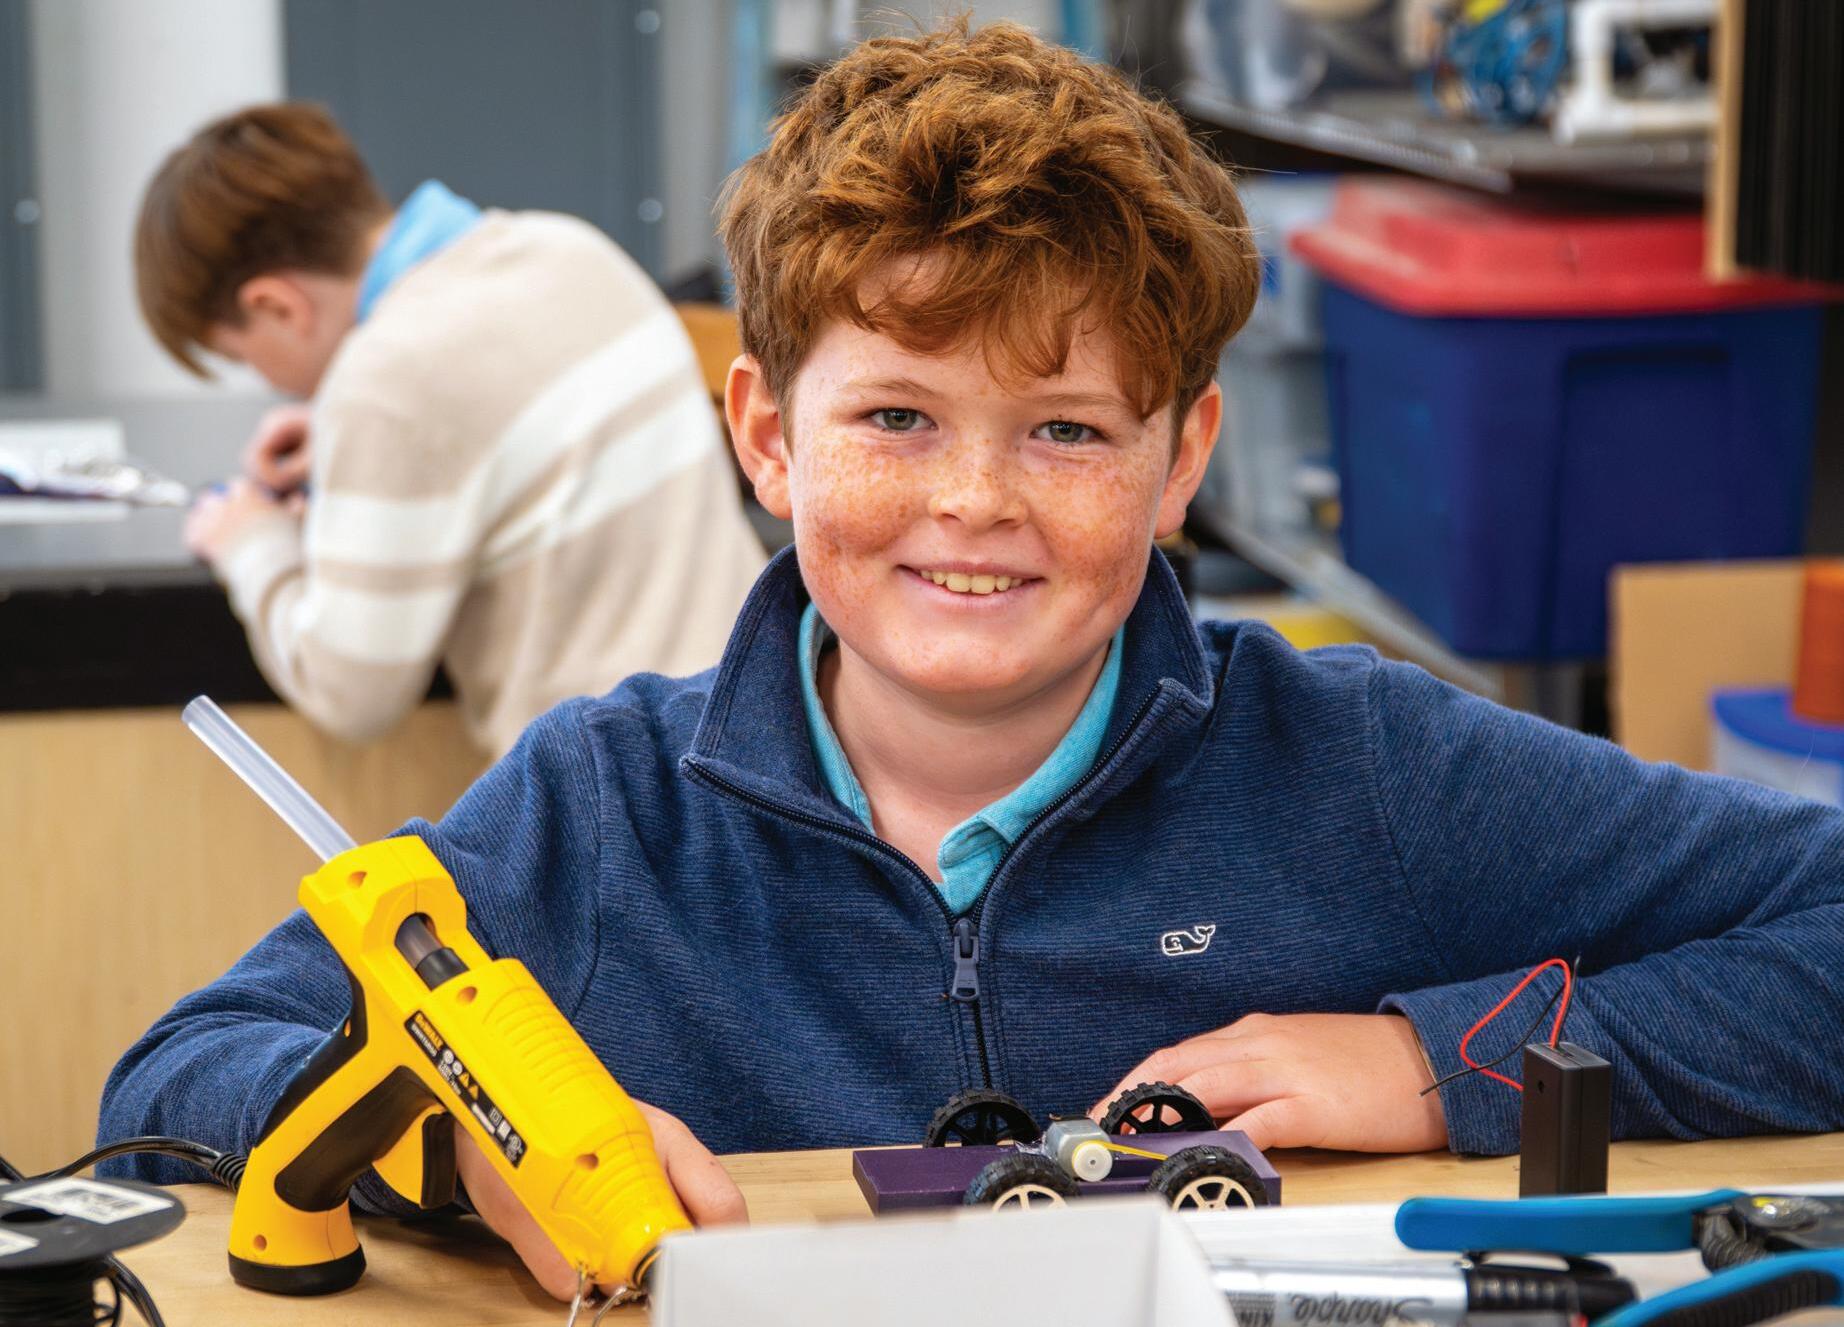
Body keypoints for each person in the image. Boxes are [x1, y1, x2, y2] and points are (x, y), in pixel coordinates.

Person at [102, 20, 1844, 1300]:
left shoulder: (1362, 764)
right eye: (895, 417)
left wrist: (1432, 1063)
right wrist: (454, 1147)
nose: (973, 502)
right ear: (767, 438)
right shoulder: (605, 802)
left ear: (1181, 459)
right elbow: (181, 1070)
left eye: (1068, 428)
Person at [137, 104, 765, 757]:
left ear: (275, 305)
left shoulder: (385, 380)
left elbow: (350, 694)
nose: (265, 380)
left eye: (241, 356)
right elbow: (496, 410)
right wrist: (343, 436)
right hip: (759, 720)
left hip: (626, 787)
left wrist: (250, 540)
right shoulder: (568, 246)